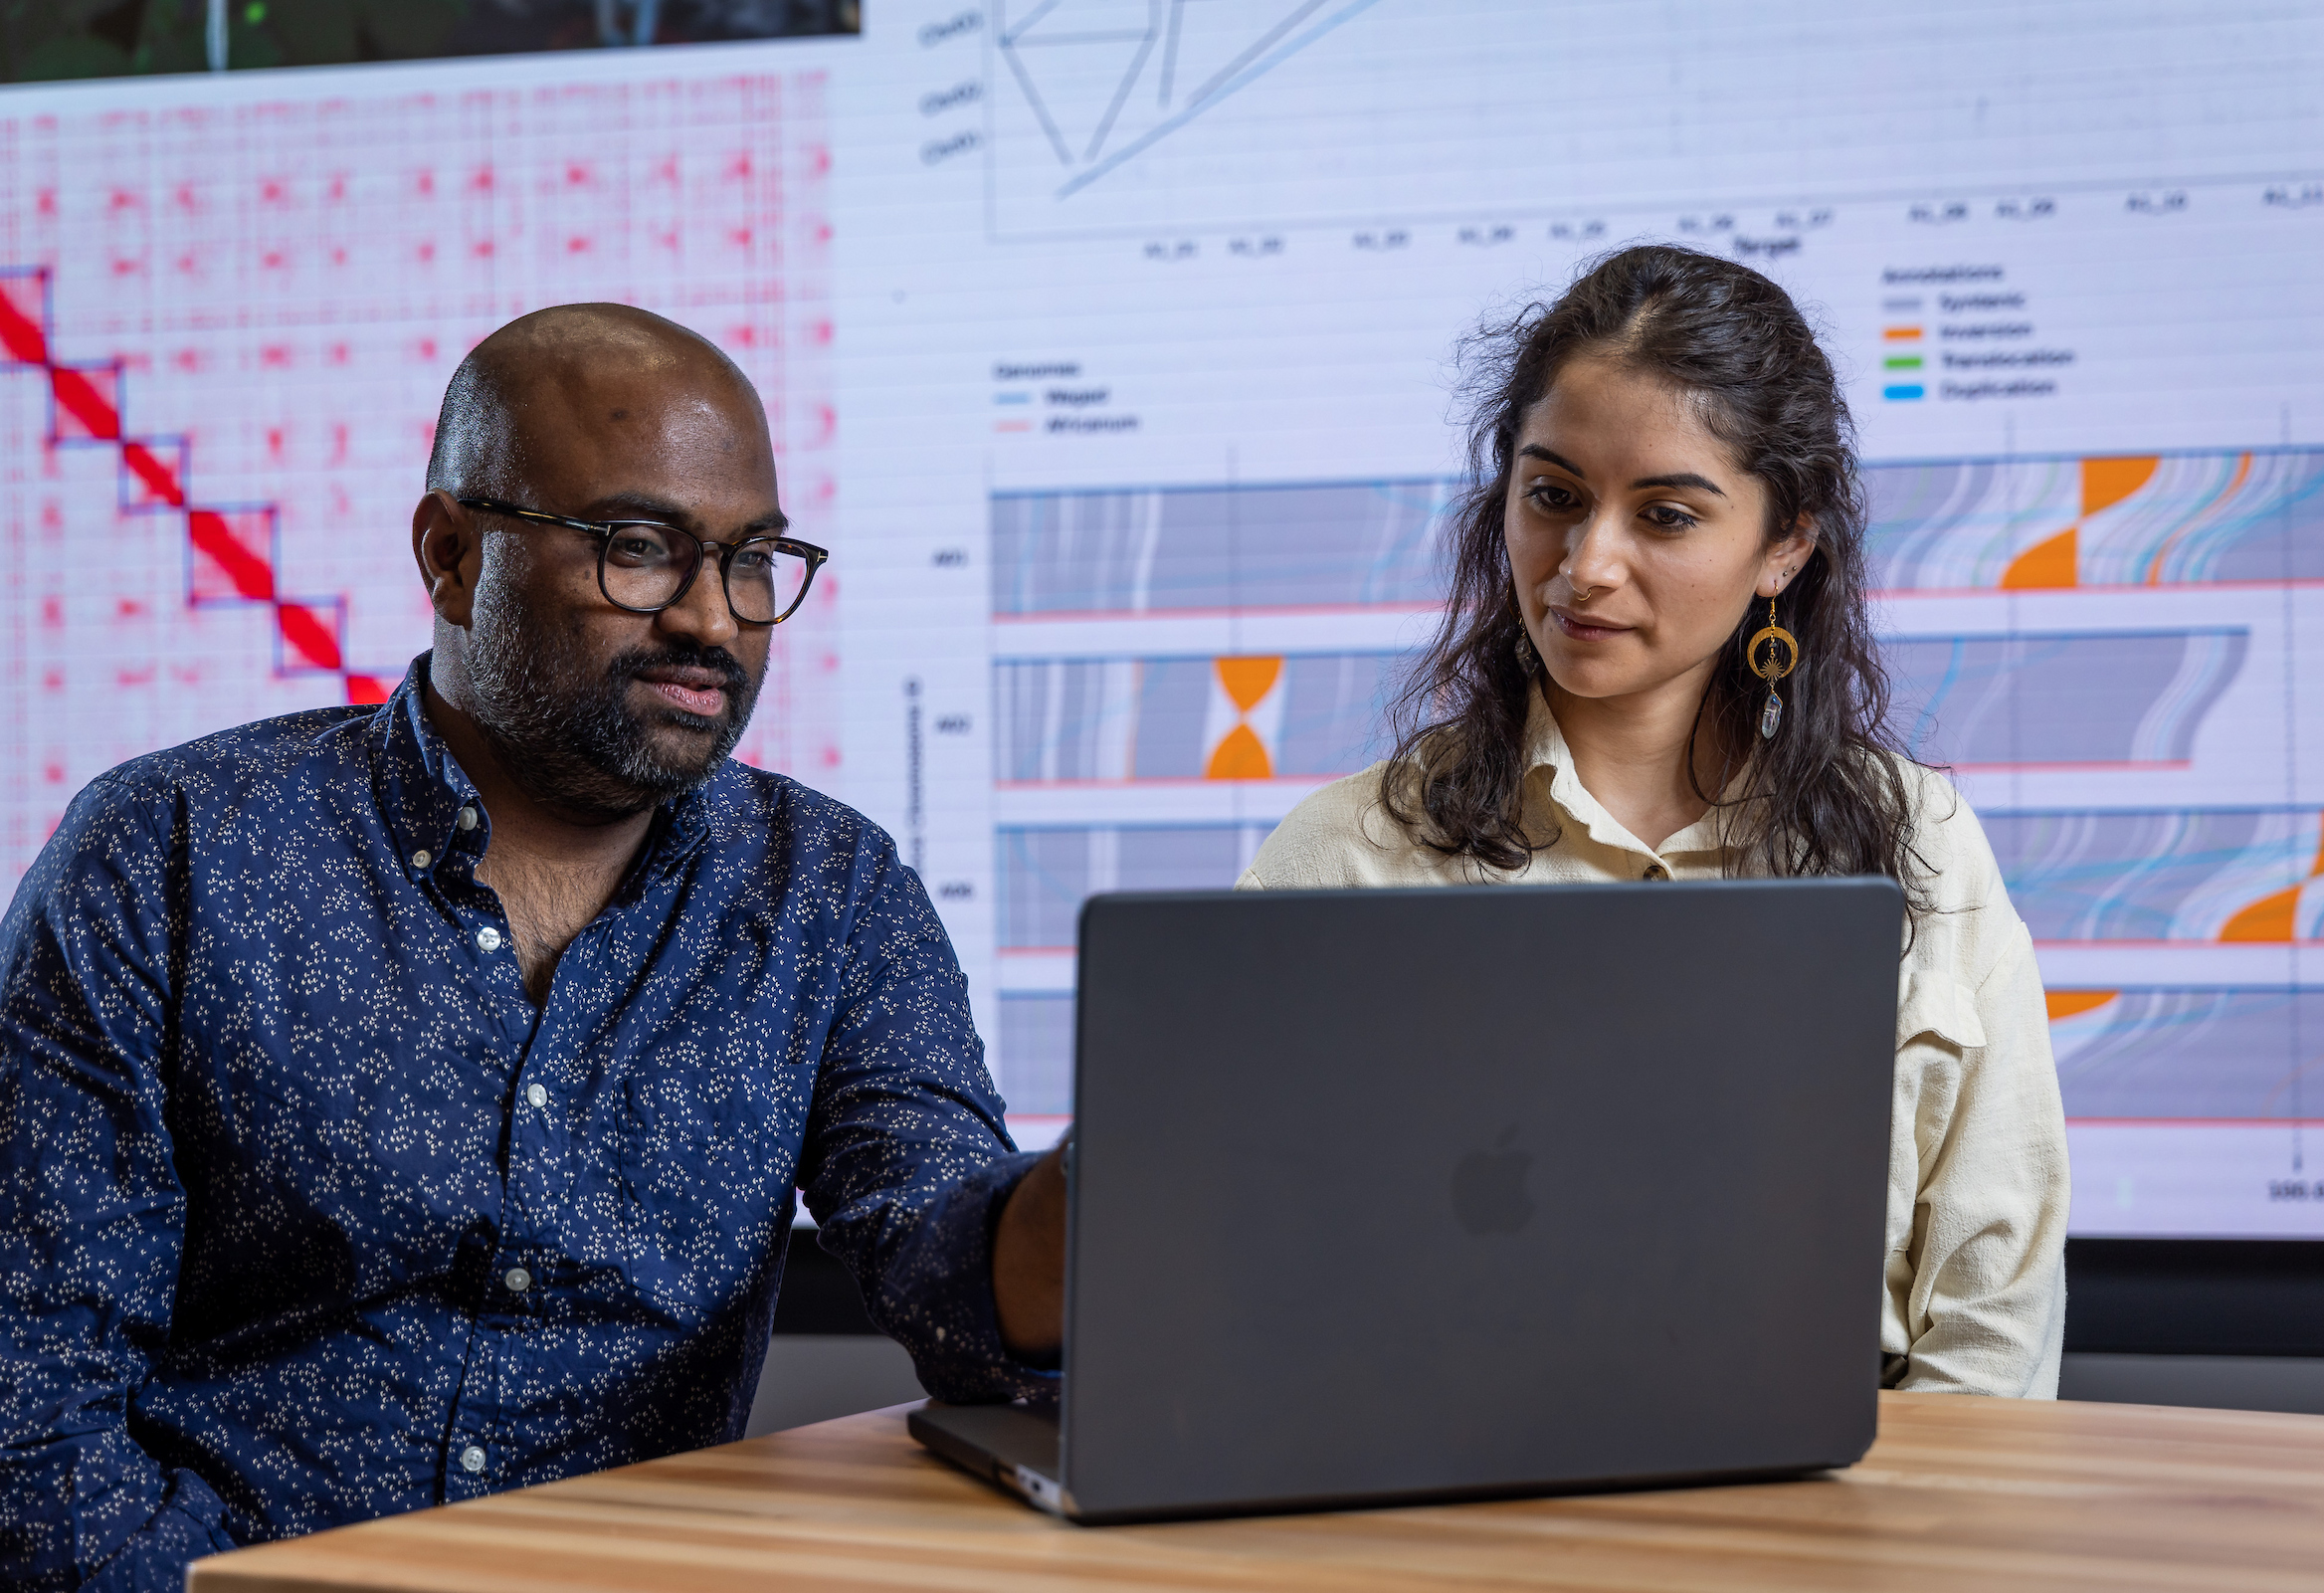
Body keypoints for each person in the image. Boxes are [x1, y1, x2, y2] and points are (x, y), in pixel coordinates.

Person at [0, 304, 1066, 1591]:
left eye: (752, 560)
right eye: (638, 548)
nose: (713, 622)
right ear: (450, 555)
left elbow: (950, 1267)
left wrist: (1120, 1193)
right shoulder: (165, 856)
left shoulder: (831, 896)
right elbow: (32, 1411)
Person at [1239, 246, 2069, 1398]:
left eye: (1666, 515)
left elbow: (1997, 1311)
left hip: (1849, 1533)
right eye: (1554, 496)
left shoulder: (1922, 840)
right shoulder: (1340, 858)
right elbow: (1249, 1282)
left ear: (1786, 546)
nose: (1586, 567)